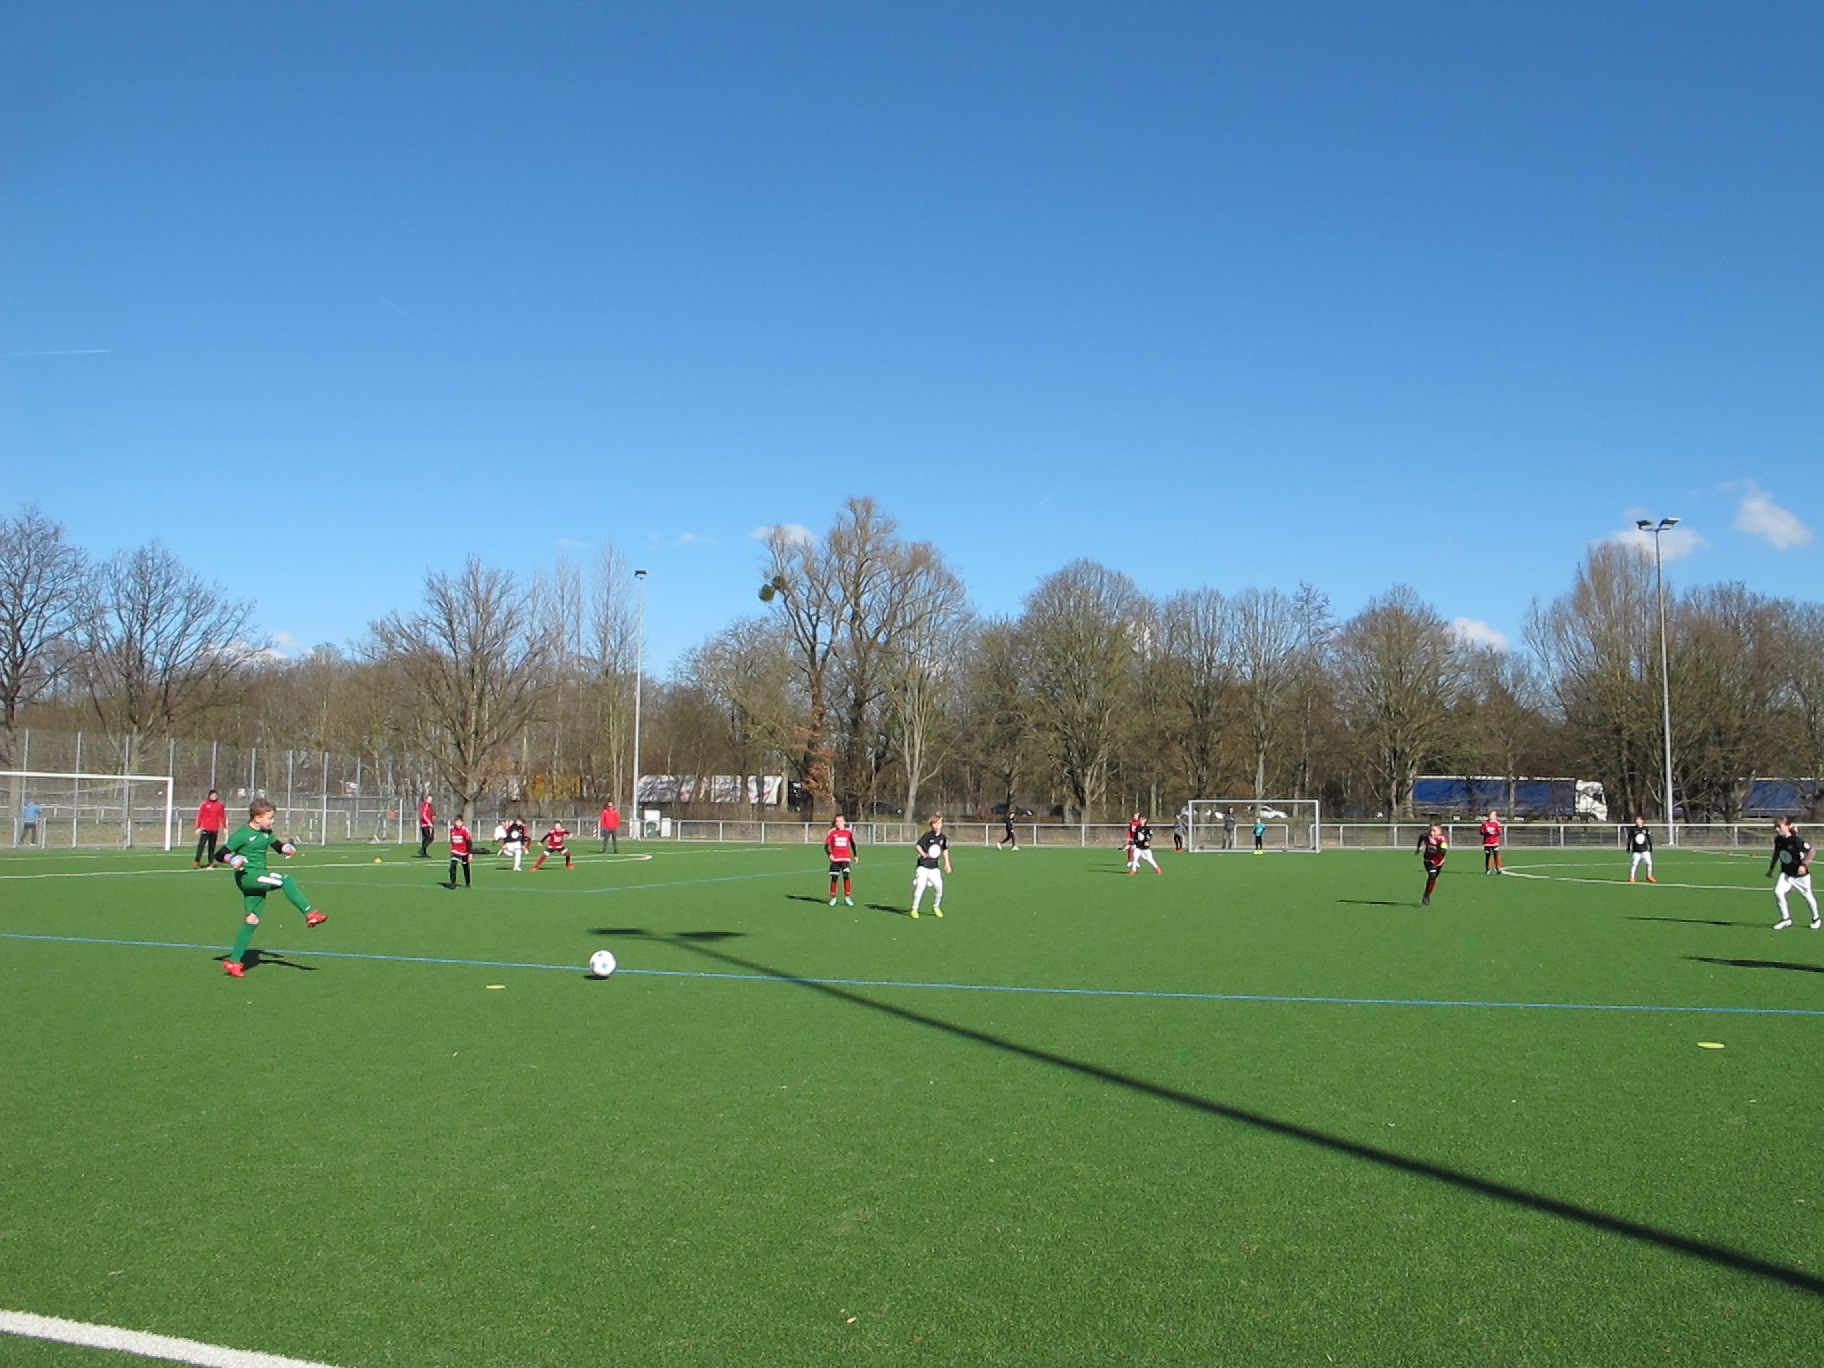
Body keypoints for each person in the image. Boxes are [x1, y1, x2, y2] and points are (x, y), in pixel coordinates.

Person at [216, 798, 326, 978]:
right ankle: (309, 913)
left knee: (252, 920)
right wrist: (232, 859)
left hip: (259, 876)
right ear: (257, 818)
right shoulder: (243, 834)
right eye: (270, 818)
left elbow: (277, 846)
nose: (272, 821)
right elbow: (220, 854)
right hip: (249, 876)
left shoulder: (266, 832)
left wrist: (287, 848)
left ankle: (234, 962)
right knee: (285, 879)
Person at [1768, 818, 1819, 931]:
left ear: (1787, 826)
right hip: (1786, 874)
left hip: (1800, 876)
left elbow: (1812, 851)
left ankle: (1816, 919)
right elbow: (1776, 853)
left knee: (1808, 896)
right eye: (1775, 827)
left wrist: (1804, 865)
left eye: (1779, 826)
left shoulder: (1796, 841)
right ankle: (1786, 919)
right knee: (1778, 892)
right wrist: (1771, 868)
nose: (1776, 829)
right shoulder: (1778, 840)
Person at [909, 815, 952, 918]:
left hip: (934, 868)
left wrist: (947, 863)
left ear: (942, 825)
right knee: (920, 887)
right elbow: (917, 846)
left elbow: (944, 849)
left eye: (938, 823)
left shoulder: (942, 838)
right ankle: (914, 909)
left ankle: (936, 907)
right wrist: (923, 854)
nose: (936, 826)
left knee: (939, 887)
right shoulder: (927, 836)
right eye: (934, 824)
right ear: (931, 825)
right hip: (923, 866)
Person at [825, 814, 858, 905]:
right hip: (835, 859)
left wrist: (855, 855)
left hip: (845, 858)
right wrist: (830, 854)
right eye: (836, 821)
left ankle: (847, 897)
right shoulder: (832, 832)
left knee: (846, 876)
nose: (838, 823)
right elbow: (826, 845)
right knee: (834, 877)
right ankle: (833, 897)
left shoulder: (848, 832)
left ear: (844, 822)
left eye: (840, 821)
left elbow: (853, 844)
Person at [193, 788, 227, 868]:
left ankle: (211, 861)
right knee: (201, 846)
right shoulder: (205, 805)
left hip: (214, 829)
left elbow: (222, 816)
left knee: (212, 846)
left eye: (215, 795)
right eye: (212, 795)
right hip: (205, 828)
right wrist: (198, 827)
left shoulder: (220, 805)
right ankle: (196, 861)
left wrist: (224, 827)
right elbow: (200, 816)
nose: (214, 796)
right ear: (209, 796)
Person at [1416, 823, 1448, 906]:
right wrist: (1418, 848)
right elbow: (1421, 837)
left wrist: (1438, 850)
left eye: (1434, 831)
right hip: (1428, 860)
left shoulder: (1442, 839)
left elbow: (1443, 851)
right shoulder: (1426, 836)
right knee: (1432, 875)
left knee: (1433, 879)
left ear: (1440, 832)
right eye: (1430, 830)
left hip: (1439, 861)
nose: (1431, 832)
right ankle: (1426, 897)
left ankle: (1427, 894)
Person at [446, 816, 473, 889]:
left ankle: (468, 882)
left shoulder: (465, 830)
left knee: (465, 867)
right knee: (453, 865)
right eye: (457, 822)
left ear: (462, 823)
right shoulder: (452, 829)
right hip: (455, 851)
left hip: (464, 851)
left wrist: (470, 853)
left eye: (460, 822)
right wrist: (451, 848)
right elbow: (452, 840)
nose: (458, 824)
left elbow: (469, 842)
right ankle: (453, 883)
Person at [1626, 816, 1655, 883]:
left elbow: (1649, 838)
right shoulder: (1633, 830)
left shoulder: (1645, 829)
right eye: (1636, 820)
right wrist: (1628, 847)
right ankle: (1632, 877)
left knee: (1649, 863)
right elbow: (1629, 839)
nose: (1637, 821)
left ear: (1642, 821)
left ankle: (1649, 876)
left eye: (1639, 820)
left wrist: (1650, 847)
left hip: (1645, 850)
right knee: (1634, 864)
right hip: (1636, 850)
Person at [1479, 809, 1504, 875]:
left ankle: (1498, 868)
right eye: (1490, 815)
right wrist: (1486, 833)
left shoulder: (1497, 823)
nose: (1491, 816)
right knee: (1488, 856)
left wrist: (1493, 833)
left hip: (1495, 842)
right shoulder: (1485, 823)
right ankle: (1488, 869)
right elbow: (1481, 832)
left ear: (1495, 816)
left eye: (1492, 815)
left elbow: (1499, 832)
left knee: (1496, 855)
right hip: (1487, 842)